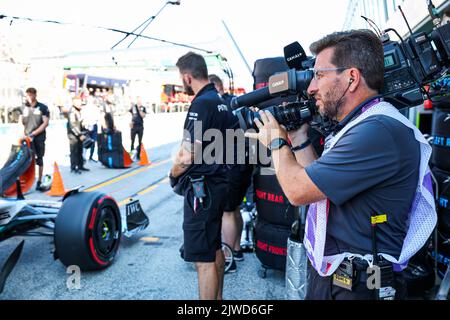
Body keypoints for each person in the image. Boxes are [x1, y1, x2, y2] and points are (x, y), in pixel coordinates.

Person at [245, 29, 436, 300]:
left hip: (362, 286)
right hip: (339, 277)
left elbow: (298, 191)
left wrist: (277, 143)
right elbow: (315, 186)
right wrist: (298, 136)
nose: (311, 87)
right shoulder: (361, 124)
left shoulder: (378, 130)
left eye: (319, 75)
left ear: (352, 78)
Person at [169, 52, 234, 300]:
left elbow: (188, 153)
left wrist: (173, 173)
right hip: (219, 182)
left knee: (202, 259)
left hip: (202, 190)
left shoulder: (201, 104)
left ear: (187, 77)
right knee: (213, 247)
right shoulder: (219, 100)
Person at [208, 74, 252, 273]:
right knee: (235, 209)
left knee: (226, 212)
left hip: (230, 165)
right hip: (244, 164)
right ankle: (236, 249)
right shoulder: (236, 102)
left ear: (216, 87)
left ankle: (228, 257)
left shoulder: (218, 105)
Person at [19, 87, 50, 191]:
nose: (29, 97)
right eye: (27, 95)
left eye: (31, 95)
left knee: (39, 159)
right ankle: (25, 181)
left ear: (35, 95)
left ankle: (39, 181)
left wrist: (34, 134)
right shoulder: (23, 107)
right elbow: (20, 122)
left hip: (39, 137)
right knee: (25, 159)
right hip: (27, 138)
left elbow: (45, 123)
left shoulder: (42, 107)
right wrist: (22, 135)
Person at [67, 96, 89, 174]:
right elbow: (72, 125)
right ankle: (74, 167)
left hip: (79, 134)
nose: (80, 103)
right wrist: (79, 135)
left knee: (80, 150)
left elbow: (79, 123)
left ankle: (80, 165)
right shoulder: (72, 111)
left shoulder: (78, 110)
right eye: (78, 102)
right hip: (73, 135)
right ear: (73, 102)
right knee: (74, 151)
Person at [129, 96, 146, 160]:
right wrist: (130, 122)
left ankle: (138, 155)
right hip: (134, 126)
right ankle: (131, 155)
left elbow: (143, 116)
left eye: (140, 100)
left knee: (139, 141)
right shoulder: (133, 107)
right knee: (132, 141)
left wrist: (139, 110)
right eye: (138, 100)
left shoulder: (143, 107)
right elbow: (129, 113)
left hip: (140, 126)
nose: (139, 101)